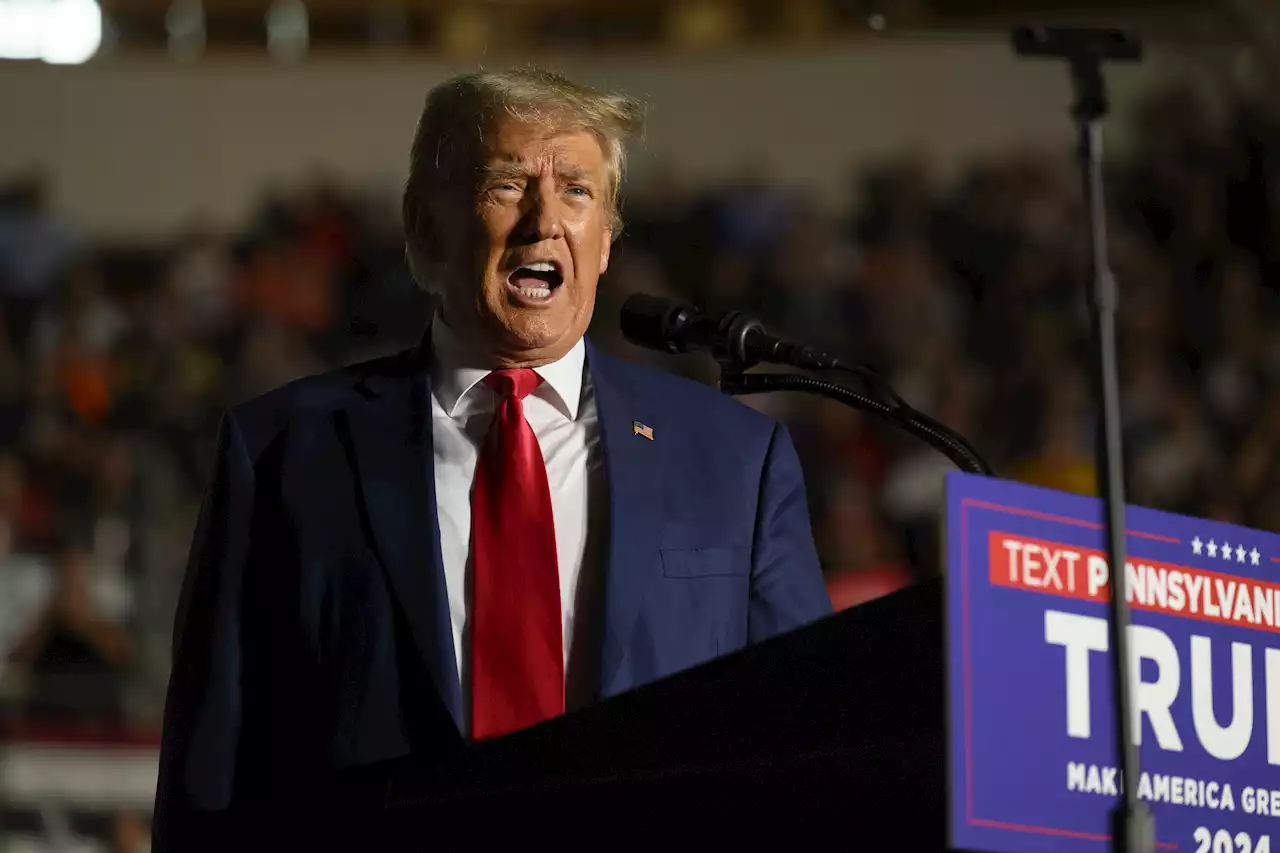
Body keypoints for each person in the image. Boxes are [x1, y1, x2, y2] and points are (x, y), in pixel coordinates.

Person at [153, 69, 831, 849]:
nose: (545, 222)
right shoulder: (281, 453)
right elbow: (211, 778)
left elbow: (803, 748)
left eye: (576, 191)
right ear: (426, 228)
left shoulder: (736, 458)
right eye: (509, 185)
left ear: (606, 238)